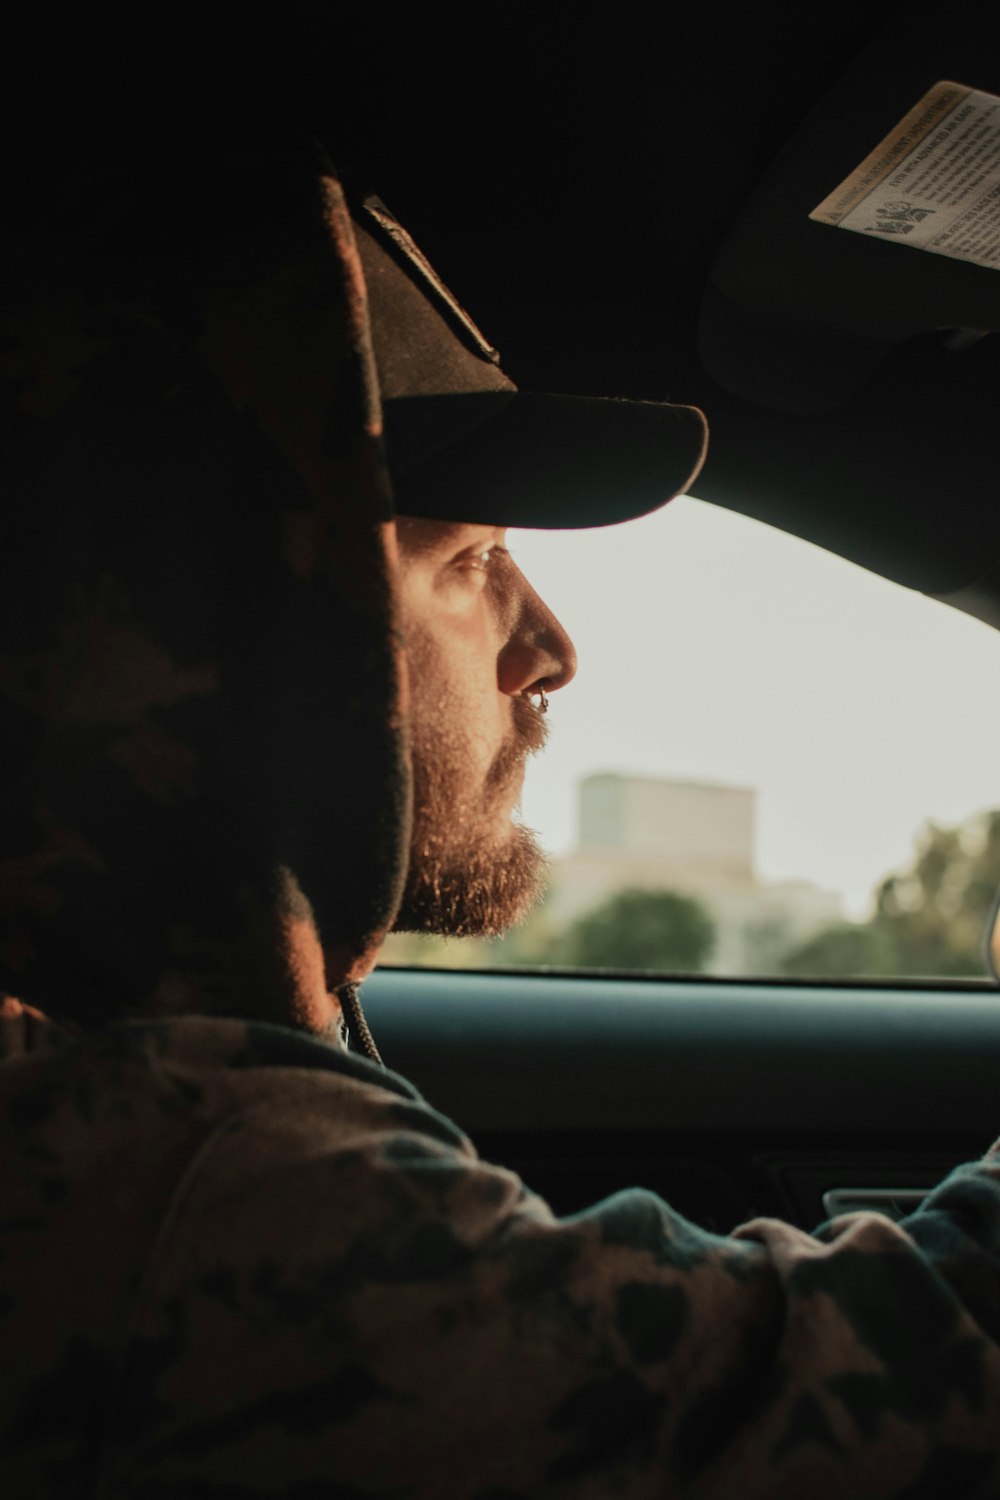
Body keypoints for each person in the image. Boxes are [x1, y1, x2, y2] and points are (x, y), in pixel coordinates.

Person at [1, 139, 999, 1499]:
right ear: (238, 617)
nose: (551, 647)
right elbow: (916, 1389)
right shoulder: (168, 1176)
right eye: (469, 558)